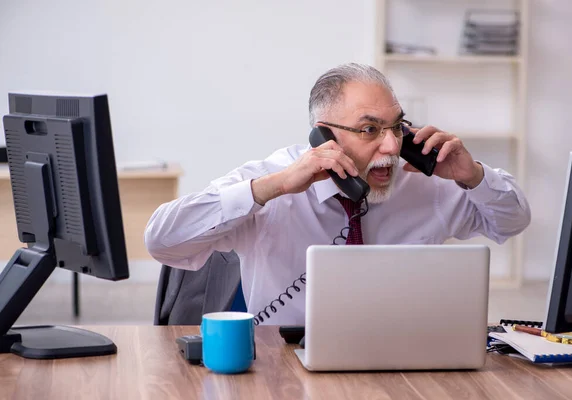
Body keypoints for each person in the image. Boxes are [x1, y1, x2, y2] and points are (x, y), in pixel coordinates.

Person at [145, 63, 531, 325]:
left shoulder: (426, 181)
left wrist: (473, 176)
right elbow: (161, 240)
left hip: (402, 362)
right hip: (285, 367)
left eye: (396, 127)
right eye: (369, 130)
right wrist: (272, 188)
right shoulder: (274, 179)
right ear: (323, 134)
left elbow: (512, 221)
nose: (392, 147)